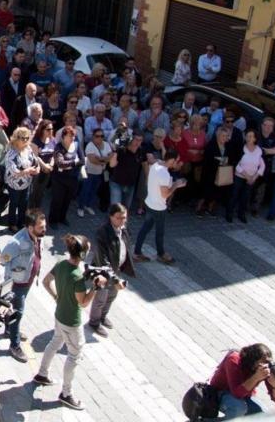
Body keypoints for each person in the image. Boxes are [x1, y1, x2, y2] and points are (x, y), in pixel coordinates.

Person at [32, 234, 105, 411]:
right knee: (74, 355)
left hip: (59, 315)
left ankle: (42, 374)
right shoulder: (77, 277)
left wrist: (56, 296)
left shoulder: (61, 265)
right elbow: (83, 302)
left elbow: (46, 281)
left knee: (55, 341)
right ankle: (66, 393)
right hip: (71, 321)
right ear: (82, 253)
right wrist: (95, 287)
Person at [1, 211, 46, 363]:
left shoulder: (38, 238)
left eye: (44, 226)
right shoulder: (16, 243)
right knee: (17, 314)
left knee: (14, 311)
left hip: (28, 281)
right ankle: (14, 345)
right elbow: (3, 259)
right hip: (16, 284)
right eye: (40, 227)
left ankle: (9, 330)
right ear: (30, 227)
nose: (44, 230)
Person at [133, 149, 186, 265]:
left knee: (145, 228)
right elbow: (165, 194)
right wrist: (176, 185)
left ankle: (137, 252)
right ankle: (161, 254)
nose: (177, 163)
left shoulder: (156, 164)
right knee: (159, 232)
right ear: (171, 160)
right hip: (158, 208)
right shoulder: (164, 173)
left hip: (150, 203)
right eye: (176, 161)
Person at [87, 204, 133, 337]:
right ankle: (94, 322)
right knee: (101, 297)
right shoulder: (103, 232)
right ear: (111, 217)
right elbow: (103, 260)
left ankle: (103, 316)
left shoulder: (123, 229)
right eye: (119, 218)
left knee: (112, 295)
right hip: (103, 272)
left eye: (124, 218)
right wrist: (116, 279)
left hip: (116, 269)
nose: (122, 221)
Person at [208, 343, 275, 419]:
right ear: (252, 361)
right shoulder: (234, 359)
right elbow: (237, 393)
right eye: (262, 362)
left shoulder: (264, 368)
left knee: (263, 415)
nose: (265, 366)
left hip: (244, 395)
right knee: (239, 408)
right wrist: (256, 377)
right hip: (219, 393)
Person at [4, 127, 39, 233]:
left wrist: (37, 169)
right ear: (16, 138)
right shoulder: (11, 153)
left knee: (24, 203)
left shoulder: (28, 149)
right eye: (22, 138)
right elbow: (15, 172)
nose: (25, 140)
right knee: (14, 203)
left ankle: (21, 222)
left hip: (26, 183)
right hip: (14, 184)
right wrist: (28, 170)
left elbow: (35, 162)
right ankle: (12, 224)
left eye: (26, 138)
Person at [228, 128, 264, 224]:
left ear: (255, 138)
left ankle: (241, 214)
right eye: (247, 136)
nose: (249, 138)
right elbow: (237, 165)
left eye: (251, 136)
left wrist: (254, 177)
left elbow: (262, 165)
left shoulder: (258, 150)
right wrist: (247, 176)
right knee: (234, 195)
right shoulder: (241, 148)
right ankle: (229, 213)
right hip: (239, 177)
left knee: (245, 197)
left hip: (251, 179)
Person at [48, 127, 82, 227]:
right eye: (70, 135)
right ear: (63, 137)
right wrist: (75, 162)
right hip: (59, 179)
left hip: (72, 179)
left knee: (67, 200)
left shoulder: (76, 145)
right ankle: (53, 221)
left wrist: (70, 164)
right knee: (57, 200)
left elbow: (83, 160)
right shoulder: (59, 147)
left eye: (74, 136)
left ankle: (62, 218)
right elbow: (60, 163)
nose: (72, 138)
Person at [78, 129, 113, 217]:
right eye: (97, 136)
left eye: (102, 136)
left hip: (100, 173)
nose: (100, 138)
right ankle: (81, 207)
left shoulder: (106, 144)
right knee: (85, 190)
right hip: (89, 172)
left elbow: (111, 155)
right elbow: (92, 160)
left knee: (94, 191)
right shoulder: (90, 145)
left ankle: (88, 205)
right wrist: (104, 160)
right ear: (93, 136)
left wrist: (100, 158)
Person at [107, 133, 144, 209]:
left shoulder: (141, 151)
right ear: (131, 139)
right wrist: (115, 151)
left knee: (125, 209)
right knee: (116, 208)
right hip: (116, 183)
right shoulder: (121, 150)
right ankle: (110, 220)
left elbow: (145, 164)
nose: (138, 142)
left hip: (131, 185)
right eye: (136, 139)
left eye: (140, 140)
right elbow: (112, 165)